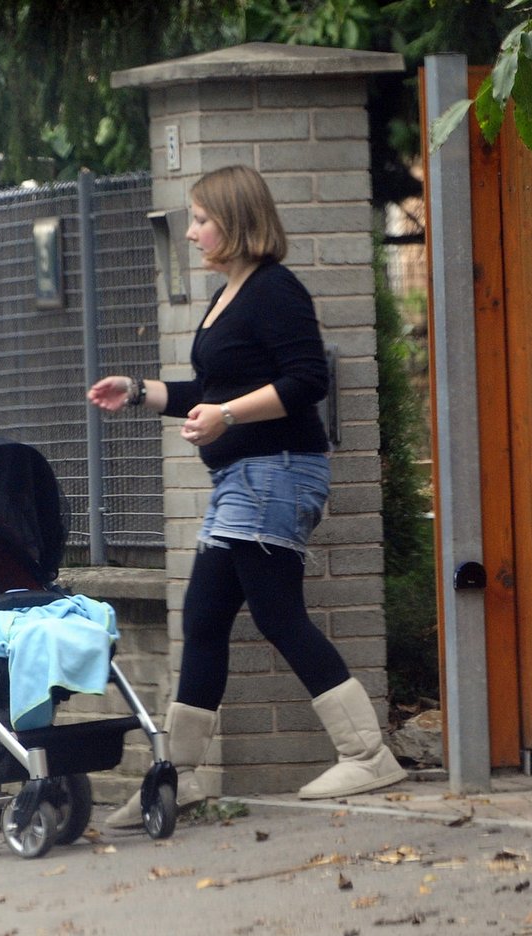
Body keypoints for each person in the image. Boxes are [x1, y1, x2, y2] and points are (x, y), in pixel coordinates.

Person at [87, 165, 405, 827]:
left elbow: (307, 379)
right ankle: (182, 776)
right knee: (203, 616)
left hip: (277, 469)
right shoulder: (229, 292)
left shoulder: (274, 289)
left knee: (275, 612)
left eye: (202, 218)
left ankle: (367, 753)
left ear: (236, 220)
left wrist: (228, 416)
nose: (194, 231)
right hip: (245, 476)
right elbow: (213, 388)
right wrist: (141, 391)